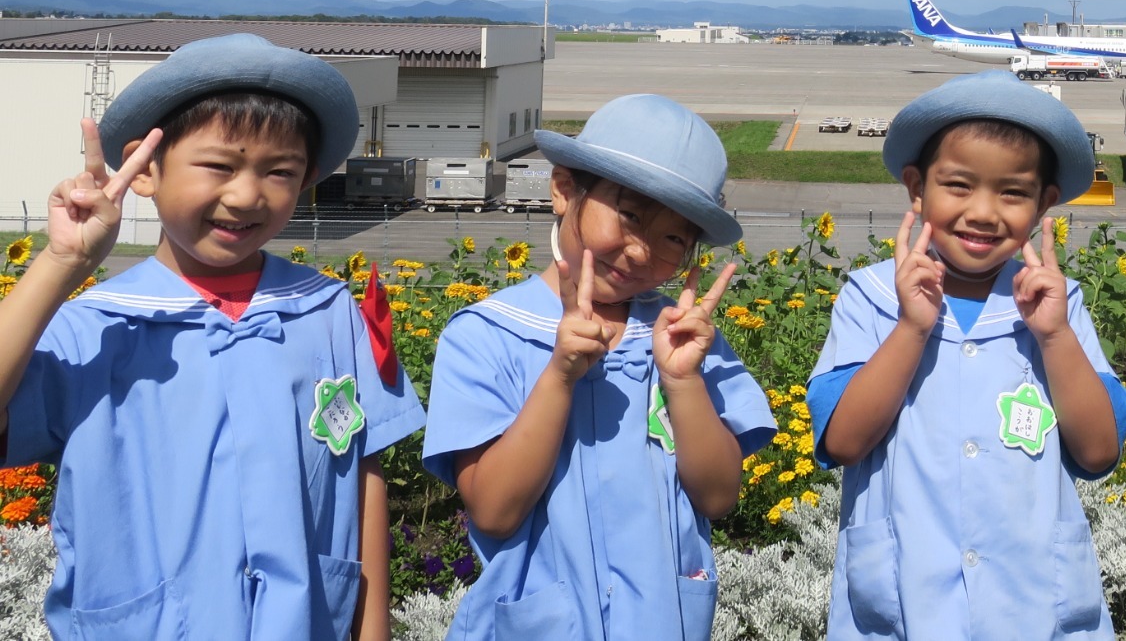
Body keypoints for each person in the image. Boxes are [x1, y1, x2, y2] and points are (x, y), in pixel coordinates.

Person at [0, 32, 425, 641]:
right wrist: (61, 263)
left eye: (281, 172)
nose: (247, 195)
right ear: (144, 171)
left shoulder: (328, 312)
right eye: (219, 166)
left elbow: (365, 476)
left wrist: (372, 629)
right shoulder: (95, 326)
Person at [423, 94, 772, 641]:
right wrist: (560, 375)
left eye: (675, 238)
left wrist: (681, 381)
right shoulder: (488, 334)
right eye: (630, 215)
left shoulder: (687, 342)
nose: (641, 252)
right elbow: (493, 510)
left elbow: (718, 495)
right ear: (564, 191)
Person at [808, 69, 1126, 641]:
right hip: (905, 605)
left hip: (1031, 607)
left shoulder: (1058, 307)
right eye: (958, 185)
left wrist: (1055, 337)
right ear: (917, 187)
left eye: (1012, 192)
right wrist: (912, 328)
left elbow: (1097, 452)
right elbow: (842, 440)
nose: (984, 212)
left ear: (1045, 203)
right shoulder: (872, 298)